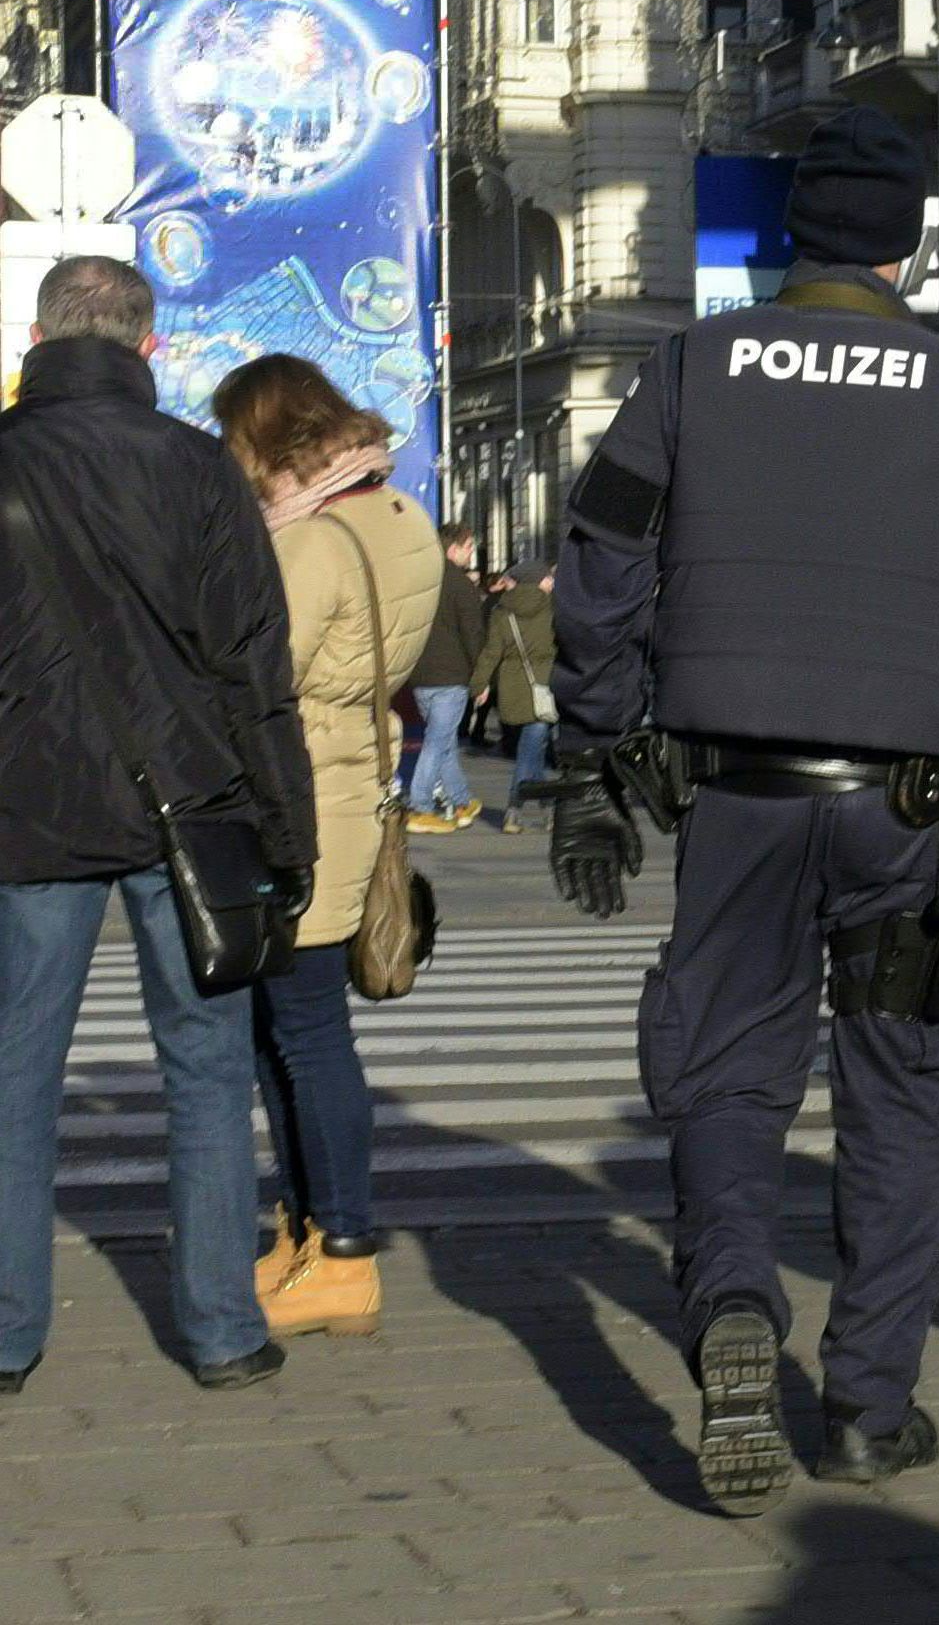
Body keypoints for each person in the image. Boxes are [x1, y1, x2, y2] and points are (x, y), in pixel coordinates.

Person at [550, 103, 939, 1517]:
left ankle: (737, 1305)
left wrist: (589, 765)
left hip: (735, 797)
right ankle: (866, 1409)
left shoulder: (695, 369)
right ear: (910, 244)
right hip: (902, 811)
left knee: (729, 1074)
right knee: (895, 1094)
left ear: (794, 233)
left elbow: (603, 561)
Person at [0, 257, 314, 1392]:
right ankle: (222, 1329)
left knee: (14, 1075)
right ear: (147, 350)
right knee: (205, 1069)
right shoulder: (196, 468)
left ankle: (6, 1335)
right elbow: (253, 667)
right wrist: (290, 837)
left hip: (28, 816)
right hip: (195, 810)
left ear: (37, 338)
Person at [214, 356, 441, 1340]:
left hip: (296, 801)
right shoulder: (397, 513)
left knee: (301, 1034)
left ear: (268, 436)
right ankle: (308, 1236)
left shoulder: (310, 541)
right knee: (291, 1030)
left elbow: (259, 675)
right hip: (349, 790)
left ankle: (341, 1250)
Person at [405, 521, 487, 833]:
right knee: (437, 743)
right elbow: (473, 633)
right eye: (468, 547)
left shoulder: (420, 582)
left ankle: (462, 800)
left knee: (445, 742)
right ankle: (420, 806)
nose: (471, 553)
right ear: (453, 550)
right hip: (451, 675)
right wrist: (481, 678)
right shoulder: (460, 584)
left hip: (421, 675)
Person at [470, 558, 558, 831]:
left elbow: (491, 652)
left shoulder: (502, 611)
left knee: (533, 747)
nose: (552, 582)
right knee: (530, 750)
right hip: (544, 687)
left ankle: (548, 808)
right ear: (538, 580)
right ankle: (514, 809)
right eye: (548, 577)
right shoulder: (553, 608)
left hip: (512, 688)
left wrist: (480, 685)